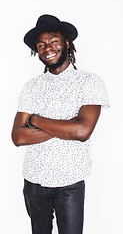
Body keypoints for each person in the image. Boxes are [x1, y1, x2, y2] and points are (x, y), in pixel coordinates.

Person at [11, 14, 109, 234]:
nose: (48, 48)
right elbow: (18, 137)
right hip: (34, 181)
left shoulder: (89, 82)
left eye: (54, 41)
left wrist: (33, 120)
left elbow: (82, 131)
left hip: (70, 183)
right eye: (41, 44)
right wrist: (68, 126)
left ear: (66, 42)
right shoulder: (31, 87)